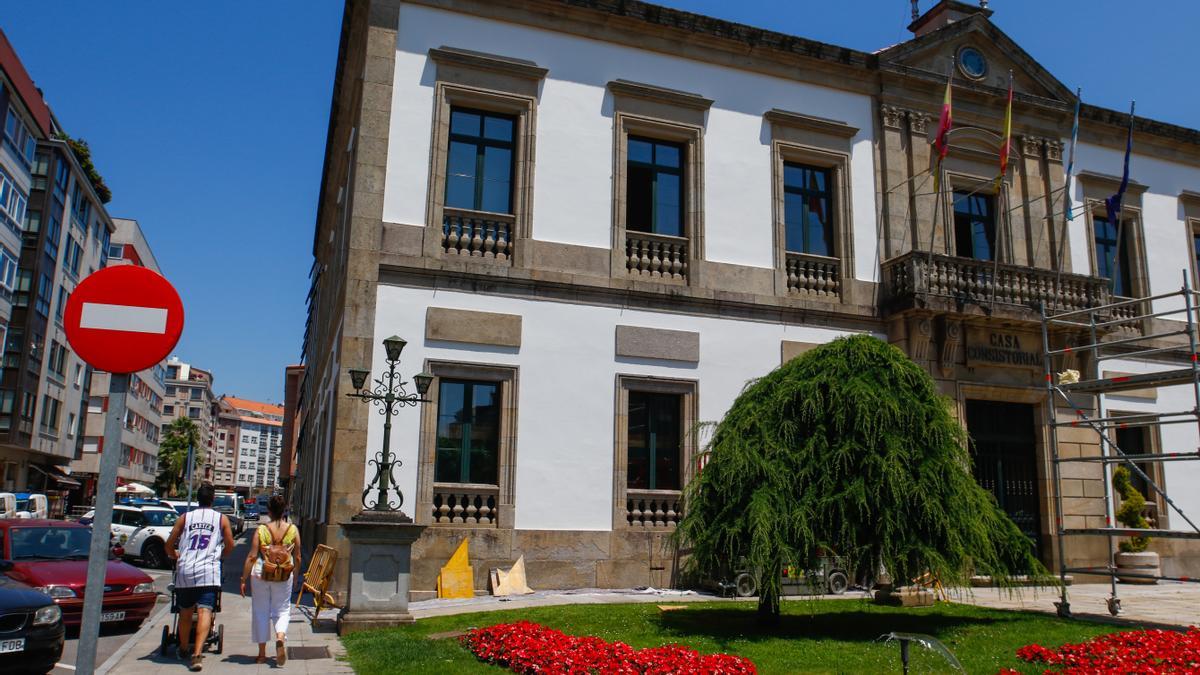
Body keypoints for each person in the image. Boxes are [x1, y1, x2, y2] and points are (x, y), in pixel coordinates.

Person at [166, 484, 235, 672]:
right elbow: (230, 544)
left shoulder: (184, 518)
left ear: (197, 499)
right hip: (208, 571)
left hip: (185, 570)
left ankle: (182, 647)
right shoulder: (221, 519)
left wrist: (175, 555)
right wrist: (219, 556)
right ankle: (197, 653)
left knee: (185, 612)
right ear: (213, 500)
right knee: (205, 611)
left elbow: (169, 544)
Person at [240, 495, 301, 665]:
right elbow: (298, 556)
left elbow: (252, 556)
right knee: (282, 610)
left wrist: (243, 578)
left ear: (269, 511)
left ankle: (261, 655)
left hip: (262, 572)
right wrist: (295, 576)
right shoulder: (293, 530)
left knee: (260, 611)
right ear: (284, 511)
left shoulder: (261, 530)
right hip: (283, 574)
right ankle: (280, 636)